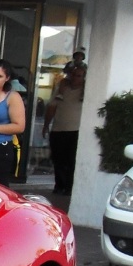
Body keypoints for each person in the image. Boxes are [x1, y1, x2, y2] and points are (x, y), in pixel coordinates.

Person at [43, 64, 85, 200]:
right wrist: (46, 125)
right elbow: (51, 107)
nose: (75, 78)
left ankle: (69, 187)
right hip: (58, 129)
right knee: (58, 160)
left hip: (75, 131)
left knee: (71, 161)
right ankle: (59, 185)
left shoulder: (86, 91)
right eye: (73, 74)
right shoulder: (62, 88)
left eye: (78, 75)